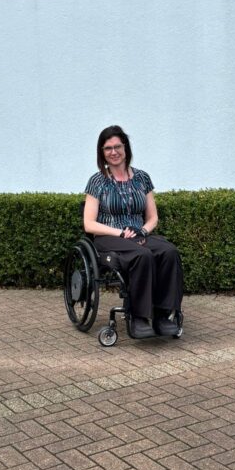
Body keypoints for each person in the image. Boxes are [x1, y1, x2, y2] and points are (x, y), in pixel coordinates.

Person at [84, 125, 183, 339]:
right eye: (107, 148)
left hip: (139, 234)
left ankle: (162, 315)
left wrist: (143, 231)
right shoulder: (97, 181)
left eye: (117, 146)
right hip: (108, 237)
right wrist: (120, 233)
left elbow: (153, 217)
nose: (113, 152)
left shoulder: (142, 178)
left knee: (169, 252)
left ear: (125, 148)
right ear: (102, 153)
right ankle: (138, 317)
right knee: (142, 255)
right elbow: (89, 224)